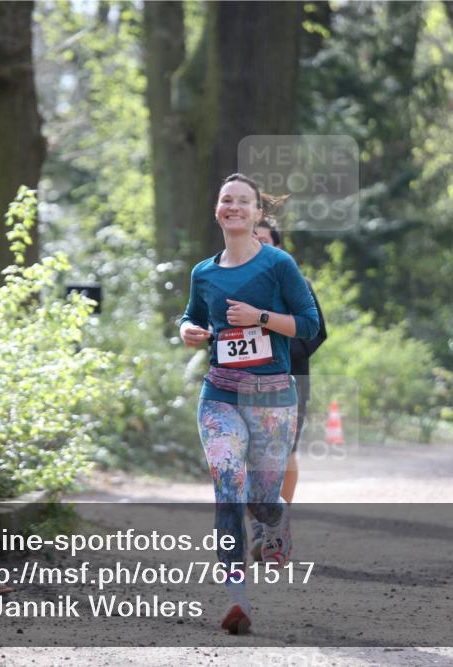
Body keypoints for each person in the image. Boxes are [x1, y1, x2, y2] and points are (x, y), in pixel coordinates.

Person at [179, 173, 320, 634]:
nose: (234, 206)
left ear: (258, 213)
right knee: (227, 488)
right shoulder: (204, 272)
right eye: (226, 200)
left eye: (243, 201)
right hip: (219, 394)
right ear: (217, 210)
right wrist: (188, 331)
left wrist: (259, 317)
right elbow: (192, 316)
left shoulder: (279, 265)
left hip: (274, 398)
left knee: (260, 501)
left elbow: (308, 325)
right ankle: (237, 599)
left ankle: (277, 517)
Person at [247, 218, 327, 561]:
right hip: (244, 382)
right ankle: (261, 526)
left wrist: (278, 349)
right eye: (252, 239)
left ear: (277, 248)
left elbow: (316, 332)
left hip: (291, 380)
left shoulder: (298, 283)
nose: (257, 245)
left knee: (283, 452)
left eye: (264, 240)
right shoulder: (233, 283)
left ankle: (279, 523)